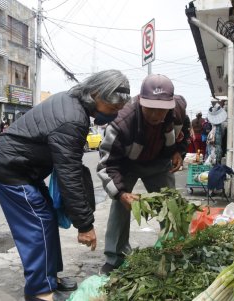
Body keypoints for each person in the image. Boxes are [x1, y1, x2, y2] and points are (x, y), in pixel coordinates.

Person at [0, 70, 130, 301]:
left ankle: (48, 277)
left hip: (25, 169)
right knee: (39, 224)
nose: (112, 115)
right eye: (111, 109)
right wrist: (85, 225)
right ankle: (40, 291)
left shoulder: (73, 103)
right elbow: (69, 173)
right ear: (95, 94)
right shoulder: (73, 118)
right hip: (11, 168)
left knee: (47, 218)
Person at [97, 74, 188, 275]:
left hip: (159, 163)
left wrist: (178, 151)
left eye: (162, 110)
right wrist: (120, 193)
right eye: (151, 109)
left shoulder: (178, 110)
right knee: (120, 205)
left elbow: (184, 132)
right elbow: (107, 165)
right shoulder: (121, 122)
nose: (156, 115)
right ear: (140, 102)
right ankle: (115, 257)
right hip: (126, 165)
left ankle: (173, 251)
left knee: (170, 203)